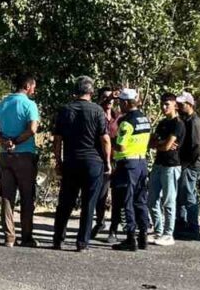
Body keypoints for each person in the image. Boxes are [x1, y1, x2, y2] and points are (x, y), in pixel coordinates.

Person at [52, 76, 111, 252]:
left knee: (65, 202)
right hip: (93, 162)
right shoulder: (97, 111)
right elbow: (105, 139)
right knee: (89, 203)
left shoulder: (65, 110)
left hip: (71, 160)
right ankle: (82, 242)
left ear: (75, 91)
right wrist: (107, 161)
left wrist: (58, 160)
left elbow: (57, 139)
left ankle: (58, 238)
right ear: (91, 92)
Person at [0, 73, 41, 248]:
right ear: (27, 86)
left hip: (5, 155)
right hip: (24, 153)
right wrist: (17, 141)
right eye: (33, 86)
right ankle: (26, 236)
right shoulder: (29, 105)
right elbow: (32, 129)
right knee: (27, 196)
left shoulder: (2, 104)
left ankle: (9, 236)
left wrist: (5, 141)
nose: (34, 90)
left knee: (7, 196)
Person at [110, 89, 152, 252]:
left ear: (126, 103)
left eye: (120, 102)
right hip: (142, 162)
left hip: (127, 164)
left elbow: (121, 145)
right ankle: (143, 236)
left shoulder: (126, 122)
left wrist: (109, 141)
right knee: (140, 200)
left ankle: (130, 238)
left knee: (126, 201)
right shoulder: (144, 118)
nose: (119, 105)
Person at [147, 93, 185, 247]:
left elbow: (167, 146)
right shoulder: (162, 123)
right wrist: (160, 144)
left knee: (168, 201)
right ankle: (158, 230)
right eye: (162, 104)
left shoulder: (178, 124)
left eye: (167, 104)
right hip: (158, 164)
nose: (163, 107)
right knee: (152, 200)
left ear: (175, 105)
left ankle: (169, 234)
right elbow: (152, 143)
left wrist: (161, 144)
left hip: (171, 166)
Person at [173, 92, 200, 240]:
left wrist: (187, 164)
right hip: (185, 163)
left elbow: (196, 147)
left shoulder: (194, 122)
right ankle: (181, 224)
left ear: (190, 105)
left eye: (182, 104)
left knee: (189, 195)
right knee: (181, 195)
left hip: (190, 165)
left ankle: (193, 228)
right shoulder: (185, 120)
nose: (179, 107)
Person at [91, 91, 122, 242]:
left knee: (117, 196)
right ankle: (100, 222)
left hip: (117, 160)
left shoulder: (119, 117)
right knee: (101, 196)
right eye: (106, 97)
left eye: (111, 98)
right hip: (101, 160)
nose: (109, 101)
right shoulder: (96, 113)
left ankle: (113, 230)